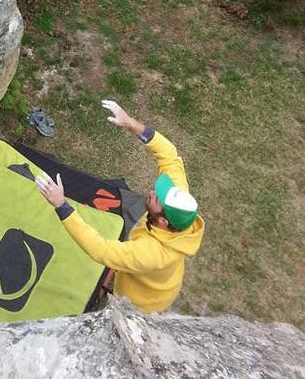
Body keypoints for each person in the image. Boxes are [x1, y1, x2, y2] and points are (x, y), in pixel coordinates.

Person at [37, 99, 204, 312]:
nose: (153, 193)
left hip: (141, 300)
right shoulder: (180, 204)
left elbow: (101, 251)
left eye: (157, 199)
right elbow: (170, 157)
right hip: (160, 278)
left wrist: (61, 204)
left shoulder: (150, 253)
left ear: (163, 220)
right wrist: (131, 124)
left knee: (111, 317)